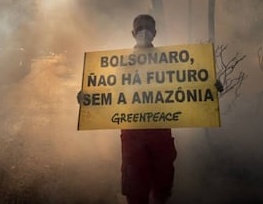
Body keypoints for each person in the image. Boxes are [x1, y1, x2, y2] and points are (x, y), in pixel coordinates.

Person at [78, 14, 223, 204]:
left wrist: (210, 86)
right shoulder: (121, 63)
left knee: (162, 186)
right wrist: (87, 97)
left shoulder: (170, 61)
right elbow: (109, 91)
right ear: (132, 33)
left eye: (147, 27)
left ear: (155, 33)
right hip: (132, 133)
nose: (143, 31)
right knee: (135, 190)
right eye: (139, 28)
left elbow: (188, 82)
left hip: (161, 131)